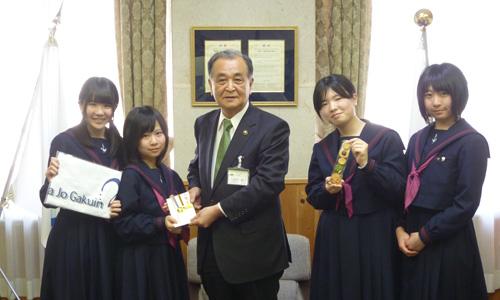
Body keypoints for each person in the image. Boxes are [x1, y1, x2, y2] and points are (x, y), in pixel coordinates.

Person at [187, 49, 291, 300]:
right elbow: (197, 165)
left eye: (238, 79)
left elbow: (268, 184)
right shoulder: (204, 123)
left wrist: (218, 210)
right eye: (221, 80)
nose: (230, 87)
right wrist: (195, 186)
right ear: (210, 85)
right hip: (212, 252)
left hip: (254, 254)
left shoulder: (273, 127)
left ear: (250, 83)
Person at [306, 74, 406, 300]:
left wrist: (368, 165)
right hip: (335, 232)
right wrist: (327, 190)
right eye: (323, 103)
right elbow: (313, 195)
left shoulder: (386, 138)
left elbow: (399, 189)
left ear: (354, 98)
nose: (332, 107)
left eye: (338, 98)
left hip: (376, 230)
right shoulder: (322, 148)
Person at [397, 63, 489, 300]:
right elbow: (402, 190)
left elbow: (466, 204)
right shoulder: (417, 139)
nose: (435, 102)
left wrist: (425, 236)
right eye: (428, 95)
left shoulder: (472, 142)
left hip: (448, 238)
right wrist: (399, 228)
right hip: (411, 235)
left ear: (458, 94)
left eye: (443, 93)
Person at [39, 77, 124, 300]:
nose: (99, 111)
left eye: (106, 105)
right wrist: (50, 180)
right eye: (93, 104)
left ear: (114, 109)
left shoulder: (120, 145)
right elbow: (47, 200)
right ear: (81, 105)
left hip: (108, 237)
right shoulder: (64, 142)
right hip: (72, 238)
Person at [113, 106, 189, 300]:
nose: (154, 141)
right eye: (145, 136)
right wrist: (160, 223)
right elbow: (123, 225)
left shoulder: (172, 176)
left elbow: (183, 219)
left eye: (158, 133)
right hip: (141, 262)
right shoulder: (130, 176)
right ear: (133, 140)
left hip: (170, 258)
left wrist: (184, 221)